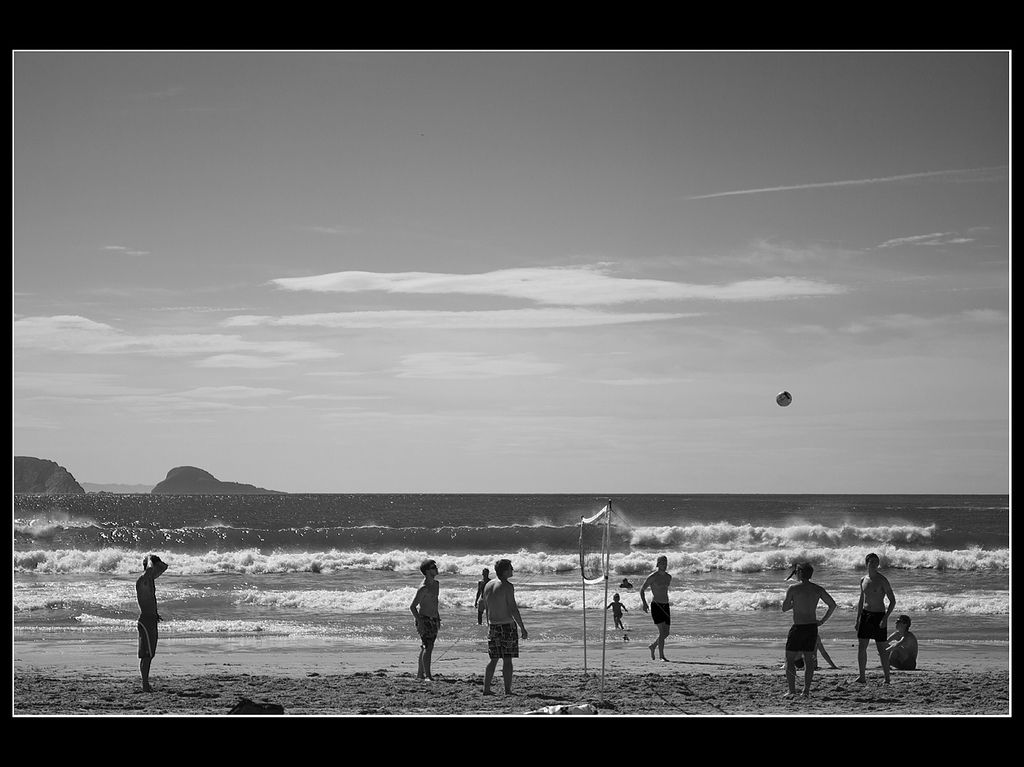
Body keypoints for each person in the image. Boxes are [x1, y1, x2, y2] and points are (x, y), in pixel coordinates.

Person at [782, 562, 837, 699]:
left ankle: (792, 690)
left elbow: (784, 607)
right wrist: (822, 621)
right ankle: (806, 690)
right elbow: (832, 605)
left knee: (789, 658)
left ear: (799, 573)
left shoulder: (793, 588)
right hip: (812, 627)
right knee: (809, 660)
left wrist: (796, 603)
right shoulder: (817, 589)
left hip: (799, 627)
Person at [482, 558, 528, 695]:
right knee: (507, 659)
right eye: (510, 568)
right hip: (506, 626)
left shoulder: (488, 585)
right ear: (505, 571)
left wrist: (488, 624)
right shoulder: (507, 586)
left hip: (493, 626)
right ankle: (507, 690)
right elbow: (513, 609)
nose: (513, 569)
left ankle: (486, 689)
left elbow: (486, 608)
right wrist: (522, 628)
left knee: (493, 659)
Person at [855, 552, 896, 684]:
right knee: (862, 647)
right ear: (866, 563)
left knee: (881, 648)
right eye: (871, 562)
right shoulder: (863, 580)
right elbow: (861, 600)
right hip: (866, 615)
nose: (874, 564)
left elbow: (892, 601)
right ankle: (862, 676)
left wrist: (885, 618)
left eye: (876, 562)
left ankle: (887, 678)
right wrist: (858, 619)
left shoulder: (882, 580)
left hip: (878, 616)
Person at [136, 554, 168, 692]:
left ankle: (145, 683)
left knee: (150, 654)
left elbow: (165, 567)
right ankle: (145, 684)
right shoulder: (143, 579)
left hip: (151, 620)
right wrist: (149, 557)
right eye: (156, 569)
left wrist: (156, 614)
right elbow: (149, 570)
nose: (158, 572)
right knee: (147, 655)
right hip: (145, 620)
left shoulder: (151, 581)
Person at [410, 558, 441, 681]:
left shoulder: (436, 584)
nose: (436, 569)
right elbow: (412, 607)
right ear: (428, 571)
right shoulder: (424, 588)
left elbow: (435, 602)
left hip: (433, 619)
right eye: (433, 567)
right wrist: (420, 622)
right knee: (428, 647)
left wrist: (437, 618)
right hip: (424, 619)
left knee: (427, 646)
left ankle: (420, 674)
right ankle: (428, 675)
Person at [639, 555, 672, 661]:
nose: (664, 565)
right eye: (662, 563)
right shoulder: (653, 576)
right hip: (656, 605)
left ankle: (653, 646)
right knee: (662, 632)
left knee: (666, 633)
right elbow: (642, 589)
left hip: (665, 605)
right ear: (658, 564)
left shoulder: (668, 577)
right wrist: (644, 603)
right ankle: (661, 656)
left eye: (665, 563)